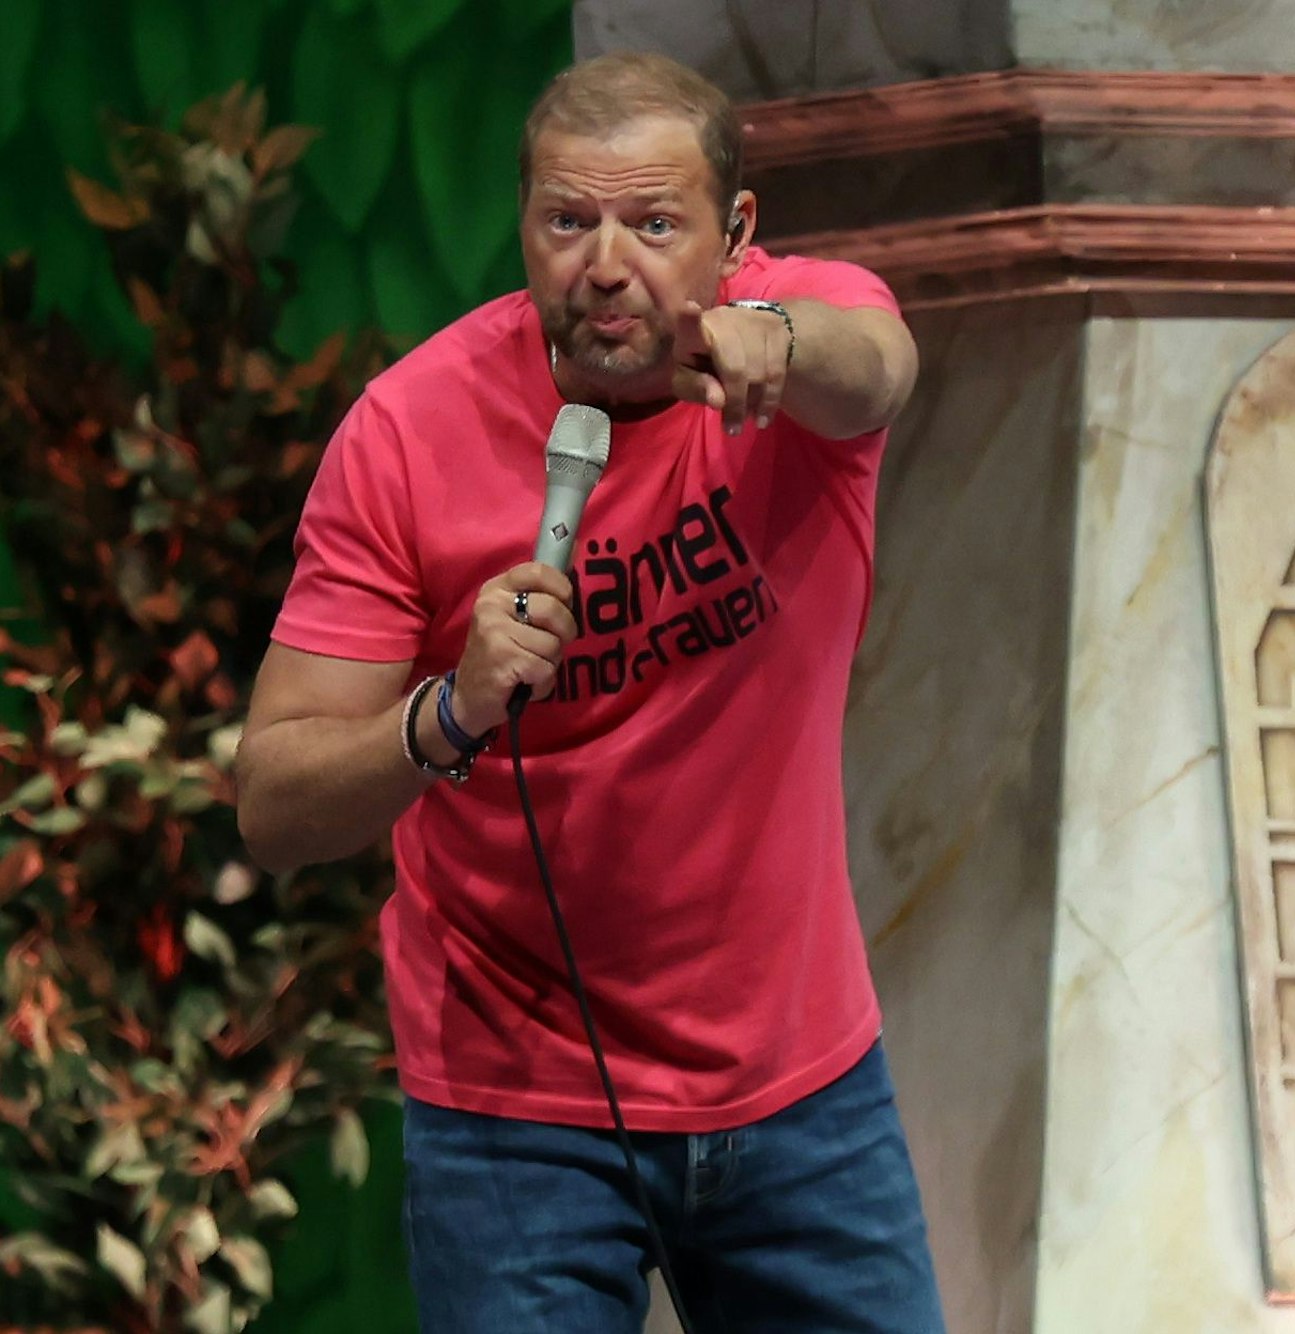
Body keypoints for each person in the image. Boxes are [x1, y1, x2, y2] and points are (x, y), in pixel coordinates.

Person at [236, 51, 944, 1334]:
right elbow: (273, 801)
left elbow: (879, 362)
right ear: (525, 225)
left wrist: (772, 342)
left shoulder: (799, 334)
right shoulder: (407, 432)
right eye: (569, 221)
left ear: (735, 235)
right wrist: (445, 710)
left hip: (799, 1082)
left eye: (654, 223)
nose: (606, 263)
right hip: (514, 1109)